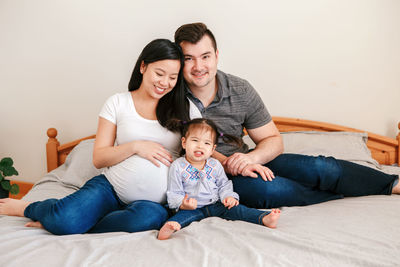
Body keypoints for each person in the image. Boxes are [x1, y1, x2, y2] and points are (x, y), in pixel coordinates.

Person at [173, 22, 400, 209]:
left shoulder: (239, 89)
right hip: (215, 179)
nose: (198, 66)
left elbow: (273, 140)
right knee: (270, 190)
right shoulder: (169, 97)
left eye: (205, 56)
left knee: (319, 168)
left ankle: (392, 183)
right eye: (189, 58)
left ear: (216, 56)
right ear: (179, 62)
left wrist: (250, 159)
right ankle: (340, 194)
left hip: (248, 159)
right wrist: (232, 165)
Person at [0, 39, 191, 235]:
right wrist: (136, 146)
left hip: (153, 201)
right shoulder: (118, 103)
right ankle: (30, 208)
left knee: (149, 219)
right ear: (143, 66)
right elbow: (99, 158)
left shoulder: (184, 108)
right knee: (66, 219)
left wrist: (224, 161)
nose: (165, 83)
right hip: (111, 188)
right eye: (159, 74)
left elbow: (205, 146)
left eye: (172, 77)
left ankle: (69, 220)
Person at [157, 118, 280, 240]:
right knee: (182, 217)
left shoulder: (215, 165)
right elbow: (174, 192)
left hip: (216, 204)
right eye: (195, 140)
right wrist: (183, 204)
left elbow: (224, 185)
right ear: (184, 143)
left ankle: (264, 218)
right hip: (193, 208)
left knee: (238, 210)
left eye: (206, 143)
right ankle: (169, 228)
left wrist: (228, 197)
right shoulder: (178, 166)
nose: (200, 146)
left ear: (212, 149)